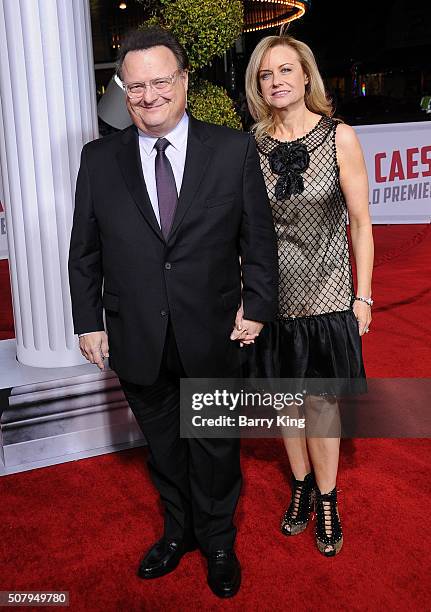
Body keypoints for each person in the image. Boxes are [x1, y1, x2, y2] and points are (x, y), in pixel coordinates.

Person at [68, 27, 278, 598]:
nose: (149, 95)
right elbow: (83, 250)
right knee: (163, 449)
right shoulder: (98, 159)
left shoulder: (232, 150)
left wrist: (257, 305)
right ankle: (177, 531)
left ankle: (217, 543)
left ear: (183, 81)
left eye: (161, 81)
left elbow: (258, 240)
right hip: (136, 336)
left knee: (215, 448)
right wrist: (88, 321)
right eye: (135, 85)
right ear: (121, 88)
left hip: (214, 332)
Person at [244, 34, 374, 556]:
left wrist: (362, 297)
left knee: (319, 404)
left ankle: (326, 498)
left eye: (284, 71)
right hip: (272, 297)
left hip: (327, 292)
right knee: (284, 401)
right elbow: (244, 231)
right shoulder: (250, 144)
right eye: (264, 75)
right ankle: (299, 485)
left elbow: (361, 223)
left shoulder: (339, 137)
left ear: (306, 77)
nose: (275, 81)